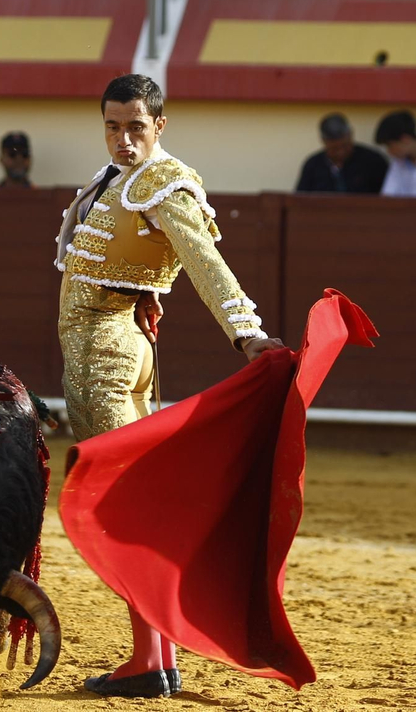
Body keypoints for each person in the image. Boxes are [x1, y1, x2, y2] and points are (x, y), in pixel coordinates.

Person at [54, 72, 281, 699]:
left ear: (159, 125)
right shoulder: (116, 180)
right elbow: (119, 257)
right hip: (116, 343)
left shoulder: (161, 181)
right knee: (129, 501)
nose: (122, 139)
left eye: (134, 127)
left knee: (118, 503)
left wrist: (246, 332)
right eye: (111, 126)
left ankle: (149, 659)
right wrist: (149, 290)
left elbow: (204, 260)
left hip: (107, 352)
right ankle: (153, 653)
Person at [294, 113, 389, 194]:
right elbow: (299, 201)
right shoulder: (313, 165)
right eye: (335, 149)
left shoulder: (373, 161)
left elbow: (388, 196)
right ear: (324, 142)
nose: (341, 152)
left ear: (351, 135)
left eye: (345, 146)